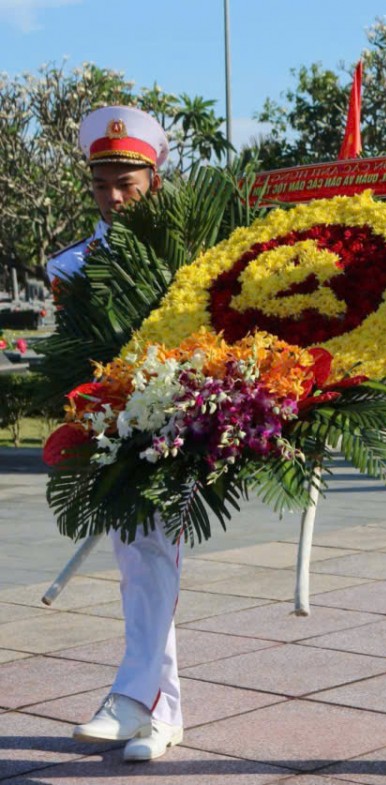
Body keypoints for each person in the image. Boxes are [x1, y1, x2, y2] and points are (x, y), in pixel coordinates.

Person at [52, 107, 184, 764]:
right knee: (138, 568)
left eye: (126, 182)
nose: (113, 196)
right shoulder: (71, 267)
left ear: (153, 182)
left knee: (154, 559)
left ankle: (133, 697)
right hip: (111, 431)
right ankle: (162, 712)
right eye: (102, 184)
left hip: (178, 429)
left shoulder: (186, 258)